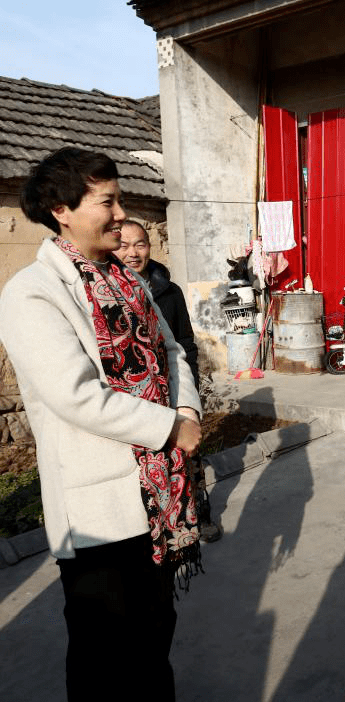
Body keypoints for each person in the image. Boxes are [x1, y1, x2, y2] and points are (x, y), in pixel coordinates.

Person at [0, 147, 203, 701]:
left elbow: (171, 351)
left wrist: (185, 411)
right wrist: (168, 427)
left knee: (154, 638)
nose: (120, 213)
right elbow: (75, 395)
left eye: (119, 200)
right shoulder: (31, 293)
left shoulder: (130, 280)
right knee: (105, 656)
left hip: (160, 493)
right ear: (62, 209)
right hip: (102, 507)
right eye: (106, 201)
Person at [118, 220, 221, 543]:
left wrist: (187, 390)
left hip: (175, 388)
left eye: (140, 244)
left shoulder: (168, 290)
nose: (133, 253)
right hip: (136, 394)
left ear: (150, 247)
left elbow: (185, 342)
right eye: (124, 245)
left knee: (190, 456)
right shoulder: (108, 291)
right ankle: (158, 521)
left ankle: (200, 514)